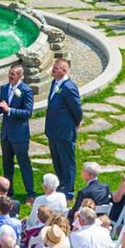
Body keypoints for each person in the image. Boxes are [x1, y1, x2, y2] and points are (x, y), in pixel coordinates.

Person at [0, 63, 36, 196]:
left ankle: (30, 193)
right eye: (9, 74)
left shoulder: (26, 90)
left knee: (24, 164)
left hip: (19, 134)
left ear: (20, 76)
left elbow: (27, 112)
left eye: (13, 74)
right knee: (7, 165)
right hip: (6, 133)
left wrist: (10, 110)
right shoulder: (4, 88)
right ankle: (8, 192)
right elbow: (3, 106)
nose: (10, 77)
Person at [43, 57, 82, 195]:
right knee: (57, 161)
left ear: (64, 70)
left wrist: (77, 122)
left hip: (64, 132)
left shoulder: (69, 87)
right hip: (53, 131)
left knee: (67, 162)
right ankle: (60, 185)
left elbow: (77, 109)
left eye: (57, 67)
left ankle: (69, 189)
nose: (53, 68)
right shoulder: (55, 83)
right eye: (54, 66)